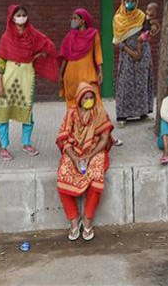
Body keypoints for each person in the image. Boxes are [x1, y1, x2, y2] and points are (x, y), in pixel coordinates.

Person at [0, 4, 58, 160]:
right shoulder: (6, 37)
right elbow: (1, 61)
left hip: (26, 76)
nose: (21, 18)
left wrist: (37, 56)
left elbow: (48, 46)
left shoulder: (32, 34)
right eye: (18, 15)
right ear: (12, 18)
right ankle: (3, 146)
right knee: (4, 111)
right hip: (9, 76)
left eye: (24, 15)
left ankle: (26, 143)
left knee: (27, 111)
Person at [56, 82, 114, 242]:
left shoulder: (99, 111)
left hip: (94, 149)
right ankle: (74, 220)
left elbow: (104, 139)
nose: (89, 101)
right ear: (79, 99)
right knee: (63, 176)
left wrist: (89, 156)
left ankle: (87, 220)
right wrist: (74, 158)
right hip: (74, 151)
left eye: (91, 97)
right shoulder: (71, 113)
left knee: (96, 177)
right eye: (85, 98)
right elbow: (64, 139)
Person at [113, 0, 154, 125]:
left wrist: (139, 51)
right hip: (127, 55)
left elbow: (146, 33)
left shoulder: (141, 16)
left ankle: (143, 113)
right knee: (125, 83)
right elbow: (117, 41)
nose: (130, 3)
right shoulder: (118, 19)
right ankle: (122, 116)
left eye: (132, 1)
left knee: (142, 83)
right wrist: (131, 52)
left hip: (143, 54)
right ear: (123, 2)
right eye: (127, 1)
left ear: (136, 3)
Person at [58, 8, 103, 108]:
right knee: (74, 106)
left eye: (75, 18)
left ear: (83, 20)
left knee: (92, 102)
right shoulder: (70, 36)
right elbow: (65, 57)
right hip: (71, 75)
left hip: (88, 73)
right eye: (72, 18)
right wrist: (60, 75)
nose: (72, 21)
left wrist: (100, 71)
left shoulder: (93, 34)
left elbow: (98, 53)